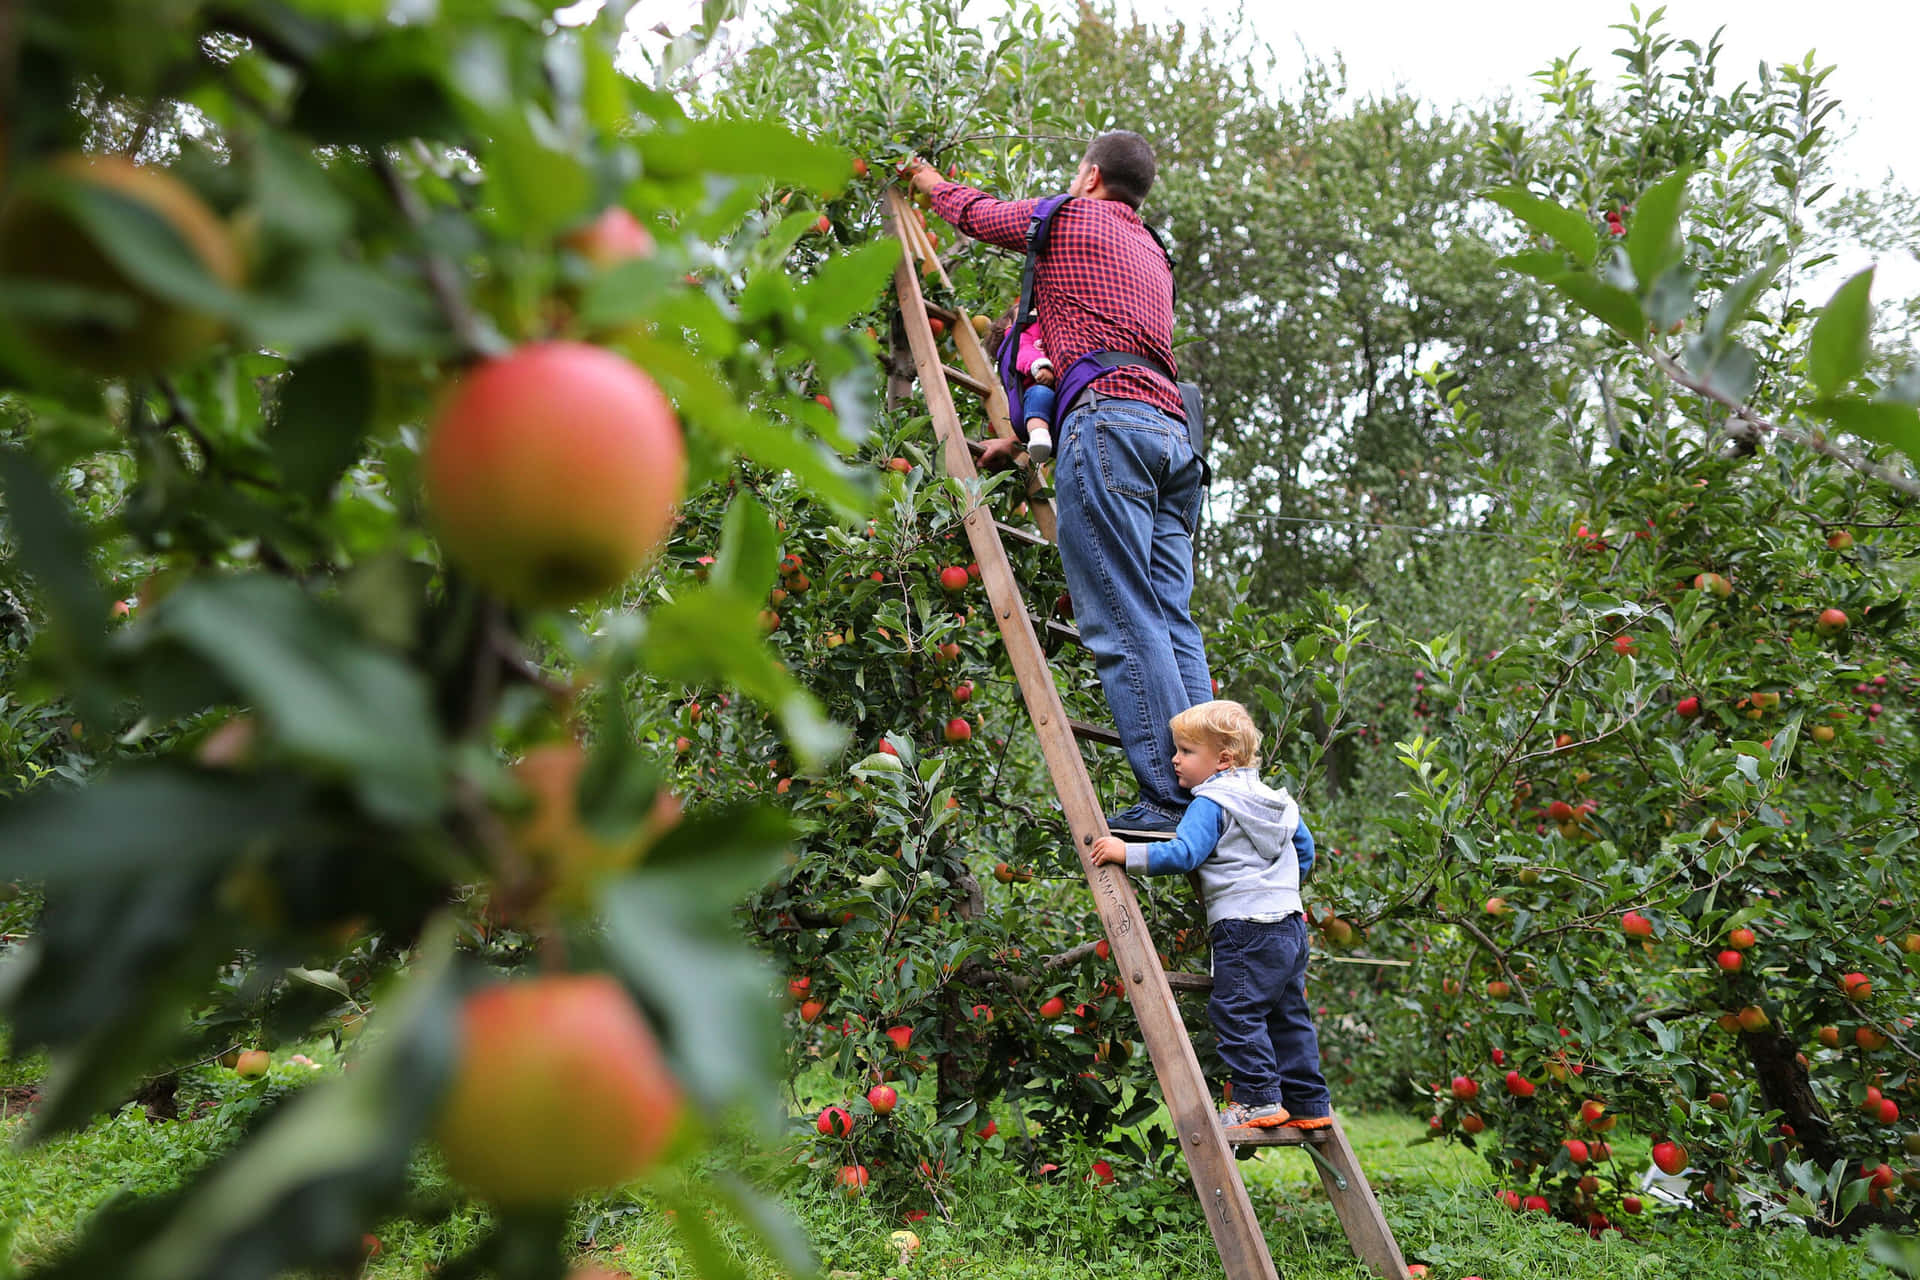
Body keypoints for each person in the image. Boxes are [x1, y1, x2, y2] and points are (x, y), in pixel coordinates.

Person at [906, 132, 1210, 834]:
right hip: (1173, 441)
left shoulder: (1070, 215)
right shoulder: (1153, 254)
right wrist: (1019, 438)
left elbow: (978, 214)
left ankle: (1170, 798)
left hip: (1110, 431)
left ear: (1090, 175)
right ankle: (1221, 785)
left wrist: (923, 179)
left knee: (1120, 616)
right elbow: (1105, 341)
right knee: (1172, 620)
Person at [1088, 700, 1332, 1132]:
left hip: (1244, 926)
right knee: (1289, 1013)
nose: (1173, 760)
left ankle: (1257, 1099)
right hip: (1290, 924)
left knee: (1236, 1011)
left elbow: (1184, 853)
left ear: (1223, 759)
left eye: (1185, 751)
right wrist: (1279, 887)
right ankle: (1310, 1103)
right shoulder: (1278, 802)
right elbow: (1305, 852)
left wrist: (1128, 852)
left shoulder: (1210, 801)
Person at [987, 305, 1057, 463]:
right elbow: (1024, 353)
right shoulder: (1022, 335)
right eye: (1027, 307)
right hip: (1040, 384)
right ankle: (1039, 436)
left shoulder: (1051, 327)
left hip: (1065, 393)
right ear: (1009, 324)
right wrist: (1040, 366)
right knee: (1039, 396)